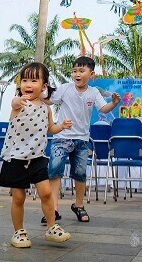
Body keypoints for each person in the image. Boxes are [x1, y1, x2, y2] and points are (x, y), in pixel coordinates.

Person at [0, 62, 73, 248]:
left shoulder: (45, 108)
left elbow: (50, 128)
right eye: (24, 80)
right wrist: (18, 100)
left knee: (47, 193)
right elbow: (14, 102)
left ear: (44, 86)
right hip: (16, 158)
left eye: (34, 80)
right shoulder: (19, 103)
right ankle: (19, 232)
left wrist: (61, 126)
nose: (28, 85)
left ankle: (51, 227)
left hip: (37, 157)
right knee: (18, 197)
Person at [47, 56, 120, 224]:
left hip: (81, 140)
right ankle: (53, 209)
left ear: (91, 73)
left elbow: (103, 108)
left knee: (80, 173)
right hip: (61, 138)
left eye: (81, 71)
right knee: (55, 171)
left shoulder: (93, 92)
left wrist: (114, 103)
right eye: (74, 71)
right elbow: (49, 100)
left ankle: (79, 206)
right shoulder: (65, 88)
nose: (77, 74)